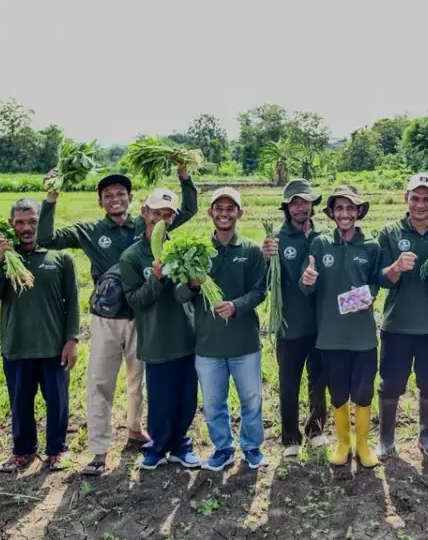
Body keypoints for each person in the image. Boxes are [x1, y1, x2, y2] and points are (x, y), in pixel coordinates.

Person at [37, 167, 198, 475]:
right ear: (100, 201)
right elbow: (46, 237)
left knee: (139, 383)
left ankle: (136, 431)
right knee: (100, 382)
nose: (114, 199)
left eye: (120, 194)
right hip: (107, 318)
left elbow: (188, 209)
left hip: (143, 317)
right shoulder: (90, 231)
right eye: (108, 195)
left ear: (131, 199)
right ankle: (98, 451)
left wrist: (184, 176)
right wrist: (51, 197)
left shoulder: (147, 221)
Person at [0, 198, 80, 473]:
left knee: (57, 402)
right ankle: (22, 451)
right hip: (17, 345)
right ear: (11, 224)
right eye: (20, 222)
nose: (26, 227)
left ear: (42, 222)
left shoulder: (60, 257)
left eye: (32, 221)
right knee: (20, 401)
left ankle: (57, 450)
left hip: (53, 346)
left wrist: (72, 340)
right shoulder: (1, 258)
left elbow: (72, 301)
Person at [118, 189, 201, 472]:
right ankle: (156, 447)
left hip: (185, 336)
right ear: (144, 212)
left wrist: (192, 285)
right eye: (156, 213)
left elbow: (182, 296)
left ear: (173, 218)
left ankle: (181, 445)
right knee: (160, 397)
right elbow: (135, 301)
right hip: (155, 339)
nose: (161, 220)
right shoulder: (131, 257)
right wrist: (155, 279)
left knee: (186, 396)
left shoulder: (180, 250)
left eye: (167, 215)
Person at [299, 185, 383, 467]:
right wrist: (307, 280)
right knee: (337, 393)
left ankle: (363, 444)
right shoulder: (320, 244)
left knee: (363, 392)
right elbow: (307, 284)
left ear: (358, 212)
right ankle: (343, 442)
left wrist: (363, 294)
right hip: (331, 336)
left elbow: (376, 284)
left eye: (350, 208)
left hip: (363, 337)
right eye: (339, 209)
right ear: (332, 213)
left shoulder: (371, 246)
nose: (345, 214)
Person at [375, 173, 428, 457]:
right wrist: (396, 267)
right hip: (397, 325)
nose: (420, 204)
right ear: (405, 198)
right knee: (391, 384)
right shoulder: (389, 232)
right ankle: (386, 441)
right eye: (415, 197)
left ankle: (427, 438)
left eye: (427, 198)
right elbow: (379, 278)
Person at [187, 187, 268, 472]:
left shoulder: (251, 250)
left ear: (239, 213)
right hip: (208, 344)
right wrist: (191, 285)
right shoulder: (197, 253)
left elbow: (260, 290)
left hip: (244, 343)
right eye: (218, 208)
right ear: (210, 213)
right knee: (212, 404)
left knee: (251, 399)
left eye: (230, 208)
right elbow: (179, 296)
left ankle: (252, 447)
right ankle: (223, 448)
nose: (224, 213)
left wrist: (236, 306)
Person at [261, 179, 329, 458]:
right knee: (289, 382)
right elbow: (266, 284)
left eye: (306, 201)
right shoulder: (277, 240)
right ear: (287, 206)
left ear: (313, 204)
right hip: (290, 325)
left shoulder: (323, 236)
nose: (301, 207)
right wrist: (266, 260)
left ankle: (316, 429)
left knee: (319, 380)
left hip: (322, 324)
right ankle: (290, 437)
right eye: (295, 202)